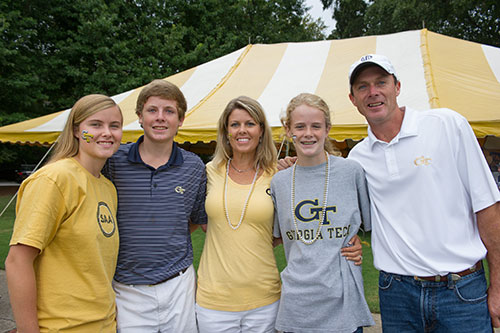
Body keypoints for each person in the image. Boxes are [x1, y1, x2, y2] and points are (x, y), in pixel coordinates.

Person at [346, 54, 500, 331]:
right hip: (397, 293)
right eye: (362, 86)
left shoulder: (447, 124)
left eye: (381, 82)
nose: (373, 92)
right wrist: (292, 165)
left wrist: (499, 286)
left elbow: (487, 207)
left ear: (398, 87)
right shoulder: (357, 158)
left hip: (461, 291)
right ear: (353, 99)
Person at [196, 96, 364, 332]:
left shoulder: (279, 174)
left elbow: (290, 226)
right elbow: (194, 221)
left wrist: (347, 239)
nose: (242, 130)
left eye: (250, 123)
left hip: (265, 297)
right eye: (235, 124)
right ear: (225, 131)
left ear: (262, 131)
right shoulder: (207, 172)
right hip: (213, 299)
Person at [5, 94, 123, 331]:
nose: (107, 133)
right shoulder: (54, 179)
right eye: (96, 125)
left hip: (103, 325)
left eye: (115, 126)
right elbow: (17, 262)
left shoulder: (107, 187)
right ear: (77, 131)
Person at [103, 79, 207, 332]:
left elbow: (194, 219)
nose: (160, 118)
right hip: (127, 289)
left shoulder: (194, 167)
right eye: (152, 110)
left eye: (169, 111)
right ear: (139, 116)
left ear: (180, 120)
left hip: (178, 285)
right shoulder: (112, 162)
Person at [271, 93, 374, 333]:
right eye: (300, 126)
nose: (308, 133)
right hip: (297, 305)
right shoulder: (279, 182)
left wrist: (357, 242)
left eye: (316, 126)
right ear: (288, 130)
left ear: (327, 129)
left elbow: (374, 228)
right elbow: (276, 237)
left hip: (343, 305)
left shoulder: (352, 172)